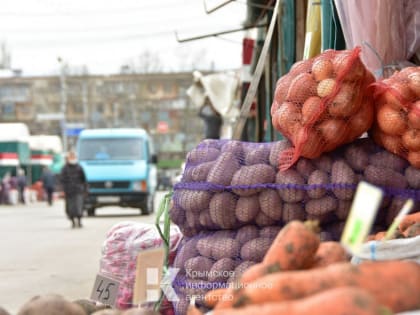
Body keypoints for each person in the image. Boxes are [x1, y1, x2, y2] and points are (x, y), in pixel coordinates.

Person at [60, 151, 87, 229]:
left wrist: (85, 189)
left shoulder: (79, 167)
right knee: (70, 208)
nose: (72, 158)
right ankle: (72, 222)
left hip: (78, 190)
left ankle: (79, 221)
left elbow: (84, 179)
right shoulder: (64, 168)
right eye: (70, 157)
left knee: (79, 207)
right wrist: (62, 190)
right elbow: (62, 180)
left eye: (73, 157)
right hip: (69, 191)